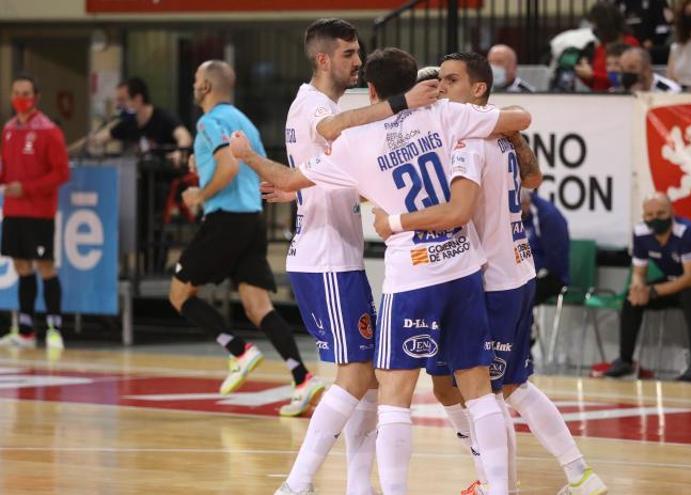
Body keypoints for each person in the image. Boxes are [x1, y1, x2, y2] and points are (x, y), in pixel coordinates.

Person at [231, 47, 532, 495]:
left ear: (370, 91)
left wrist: (249, 156)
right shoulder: (444, 113)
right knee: (477, 389)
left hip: (411, 275)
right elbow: (519, 119)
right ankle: (500, 490)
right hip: (464, 268)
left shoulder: (355, 143)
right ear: (417, 82)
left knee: (394, 397)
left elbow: (291, 178)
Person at [371, 51, 608, 495]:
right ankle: (575, 473)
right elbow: (534, 178)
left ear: (478, 89)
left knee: (490, 393)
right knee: (483, 385)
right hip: (514, 272)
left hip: (491, 280)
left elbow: (458, 210)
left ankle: (505, 485)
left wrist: (394, 222)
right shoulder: (496, 134)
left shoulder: (470, 140)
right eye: (439, 79)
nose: (441, 87)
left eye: (452, 80)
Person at [265, 18, 439, 495]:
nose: (358, 62)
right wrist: (400, 103)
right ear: (323, 59)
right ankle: (297, 483)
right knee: (358, 374)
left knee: (373, 380)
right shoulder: (316, 105)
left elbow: (342, 171)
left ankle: (358, 487)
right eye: (348, 54)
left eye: (359, 53)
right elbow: (332, 128)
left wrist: (300, 186)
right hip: (324, 259)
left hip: (338, 254)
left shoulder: (324, 103)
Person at [166, 60, 320, 416]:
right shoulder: (244, 122)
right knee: (257, 306)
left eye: (195, 79)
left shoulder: (207, 121)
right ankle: (302, 377)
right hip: (251, 219)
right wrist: (199, 163)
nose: (193, 85)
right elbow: (243, 164)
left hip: (225, 219)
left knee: (179, 293)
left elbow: (229, 166)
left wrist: (199, 195)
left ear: (205, 86)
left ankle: (238, 350)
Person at [604, 194, 691, 382]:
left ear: (672, 212)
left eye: (661, 213)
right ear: (643, 216)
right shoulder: (641, 233)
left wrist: (653, 291)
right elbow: (639, 273)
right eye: (649, 214)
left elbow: (690, 278)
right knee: (631, 297)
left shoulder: (688, 231)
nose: (655, 218)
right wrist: (638, 288)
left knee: (690, 295)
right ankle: (625, 360)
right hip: (678, 281)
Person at [0, 75, 70, 350]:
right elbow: (5, 166)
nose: (21, 98)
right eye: (16, 92)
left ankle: (54, 328)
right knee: (20, 266)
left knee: (45, 267)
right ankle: (26, 331)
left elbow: (61, 173)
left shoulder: (49, 130)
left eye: (26, 93)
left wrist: (26, 188)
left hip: (39, 210)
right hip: (13, 210)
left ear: (36, 97)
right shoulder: (8, 130)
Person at [93, 77, 192, 167]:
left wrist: (179, 152)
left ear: (138, 99)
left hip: (165, 179)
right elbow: (100, 139)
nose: (119, 105)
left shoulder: (164, 117)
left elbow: (185, 137)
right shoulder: (129, 123)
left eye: (122, 100)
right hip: (139, 180)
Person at [575, 1, 641, 92]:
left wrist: (593, 75)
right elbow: (595, 83)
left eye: (596, 25)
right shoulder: (601, 47)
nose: (594, 29)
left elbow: (628, 78)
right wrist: (584, 73)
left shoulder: (630, 43)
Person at [521, 190, 571, 307]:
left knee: (517, 294)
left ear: (525, 203)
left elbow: (556, 260)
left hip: (552, 276)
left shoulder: (549, 217)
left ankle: (524, 325)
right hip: (527, 271)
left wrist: (530, 270)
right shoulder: (518, 214)